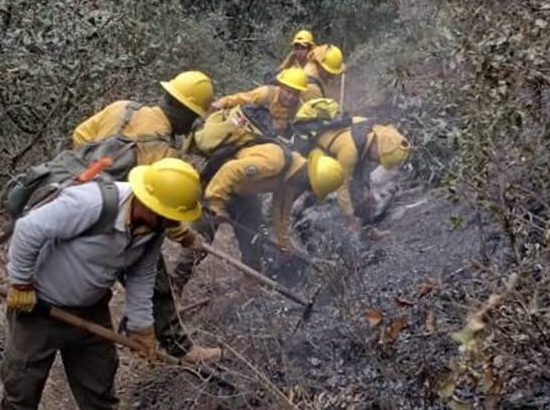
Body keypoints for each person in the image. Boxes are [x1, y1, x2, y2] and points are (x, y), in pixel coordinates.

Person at [0, 159, 203, 410]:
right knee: (24, 376)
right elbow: (28, 230)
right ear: (146, 200)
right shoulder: (90, 204)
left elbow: (141, 275)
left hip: (91, 306)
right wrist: (22, 284)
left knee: (100, 368)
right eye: (165, 215)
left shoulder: (154, 227)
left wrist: (142, 327)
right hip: (38, 304)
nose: (168, 223)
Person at [69, 71, 221, 364]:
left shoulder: (122, 108)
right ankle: (180, 347)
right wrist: (188, 237)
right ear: (185, 113)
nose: (193, 125)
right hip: (122, 218)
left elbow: (80, 136)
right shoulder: (165, 152)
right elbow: (166, 212)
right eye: (194, 117)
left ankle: (132, 325)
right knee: (154, 278)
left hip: (79, 199)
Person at [172, 105, 344, 289]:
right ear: (308, 177)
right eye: (309, 186)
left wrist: (284, 244)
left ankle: (250, 287)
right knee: (201, 240)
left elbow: (281, 210)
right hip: (217, 187)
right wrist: (216, 205)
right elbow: (230, 170)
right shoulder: (275, 161)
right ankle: (176, 285)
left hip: (244, 195)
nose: (305, 190)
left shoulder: (290, 178)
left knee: (253, 241)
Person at [307, 116, 409, 231]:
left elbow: (364, 163)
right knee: (348, 197)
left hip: (342, 157)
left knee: (366, 198)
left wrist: (368, 188)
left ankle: (368, 230)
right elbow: (341, 187)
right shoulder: (349, 151)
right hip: (316, 159)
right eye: (379, 159)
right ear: (376, 146)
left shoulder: (367, 130)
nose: (377, 162)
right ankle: (308, 216)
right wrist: (350, 220)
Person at [208, 67, 308, 136]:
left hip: (270, 141)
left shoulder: (300, 109)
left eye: (295, 94)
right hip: (248, 128)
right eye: (288, 91)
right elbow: (242, 98)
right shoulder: (266, 93)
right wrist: (223, 102)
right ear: (281, 87)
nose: (290, 97)